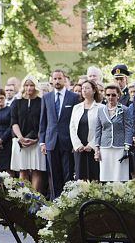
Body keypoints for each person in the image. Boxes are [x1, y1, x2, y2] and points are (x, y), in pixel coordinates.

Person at [39, 69, 78, 198]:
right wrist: (42, 142)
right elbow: (43, 121)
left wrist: (76, 142)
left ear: (64, 79)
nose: (57, 81)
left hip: (68, 142)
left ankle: (68, 201)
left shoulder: (73, 97)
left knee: (68, 174)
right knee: (53, 175)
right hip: (51, 142)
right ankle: (55, 203)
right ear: (51, 80)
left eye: (59, 78)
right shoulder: (46, 97)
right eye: (55, 78)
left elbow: (76, 121)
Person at [11, 77, 47, 193]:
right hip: (20, 140)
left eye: (31, 85)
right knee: (23, 170)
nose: (29, 88)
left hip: (37, 141)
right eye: (26, 85)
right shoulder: (17, 102)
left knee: (36, 170)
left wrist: (36, 139)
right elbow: (13, 122)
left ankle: (35, 198)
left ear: (35, 86)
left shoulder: (42, 102)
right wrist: (20, 138)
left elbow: (44, 122)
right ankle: (24, 197)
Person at [94, 84, 133, 182]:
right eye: (108, 95)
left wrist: (127, 147)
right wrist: (97, 149)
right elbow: (98, 130)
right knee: (106, 176)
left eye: (113, 95)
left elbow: (128, 129)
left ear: (118, 95)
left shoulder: (124, 109)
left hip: (120, 147)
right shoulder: (100, 110)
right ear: (105, 95)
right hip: (105, 147)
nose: (110, 97)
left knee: (120, 176)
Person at [69, 79, 101, 181]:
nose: (84, 90)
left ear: (94, 90)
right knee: (80, 175)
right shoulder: (76, 107)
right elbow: (72, 127)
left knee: (94, 175)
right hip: (80, 147)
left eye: (87, 88)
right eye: (82, 88)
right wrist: (77, 144)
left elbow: (102, 128)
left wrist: (92, 145)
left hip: (94, 147)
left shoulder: (101, 107)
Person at [0, 89, 13, 172]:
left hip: (7, 141)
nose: (0, 100)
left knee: (8, 167)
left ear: (5, 98)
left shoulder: (10, 110)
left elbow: (11, 125)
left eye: (1, 98)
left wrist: (2, 139)